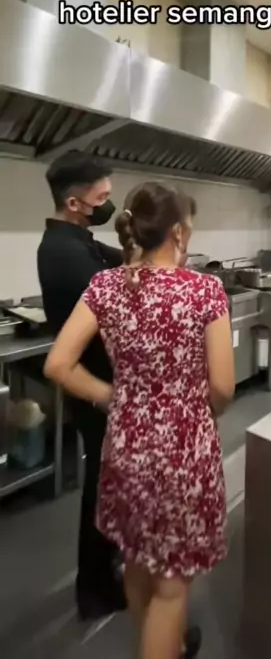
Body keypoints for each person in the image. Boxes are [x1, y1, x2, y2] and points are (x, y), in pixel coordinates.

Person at [44, 182, 235, 659]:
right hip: (182, 452)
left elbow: (58, 365)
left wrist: (115, 396)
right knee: (172, 587)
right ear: (178, 232)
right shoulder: (204, 291)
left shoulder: (106, 286)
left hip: (126, 445)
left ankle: (159, 645)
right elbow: (223, 387)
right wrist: (193, 410)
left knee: (135, 560)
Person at [37, 152, 126, 620]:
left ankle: (107, 575)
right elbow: (117, 298)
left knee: (110, 486)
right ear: (74, 202)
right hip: (94, 388)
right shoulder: (63, 253)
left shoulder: (79, 240)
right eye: (102, 197)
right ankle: (94, 592)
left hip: (104, 382)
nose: (108, 203)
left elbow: (119, 260)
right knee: (102, 490)